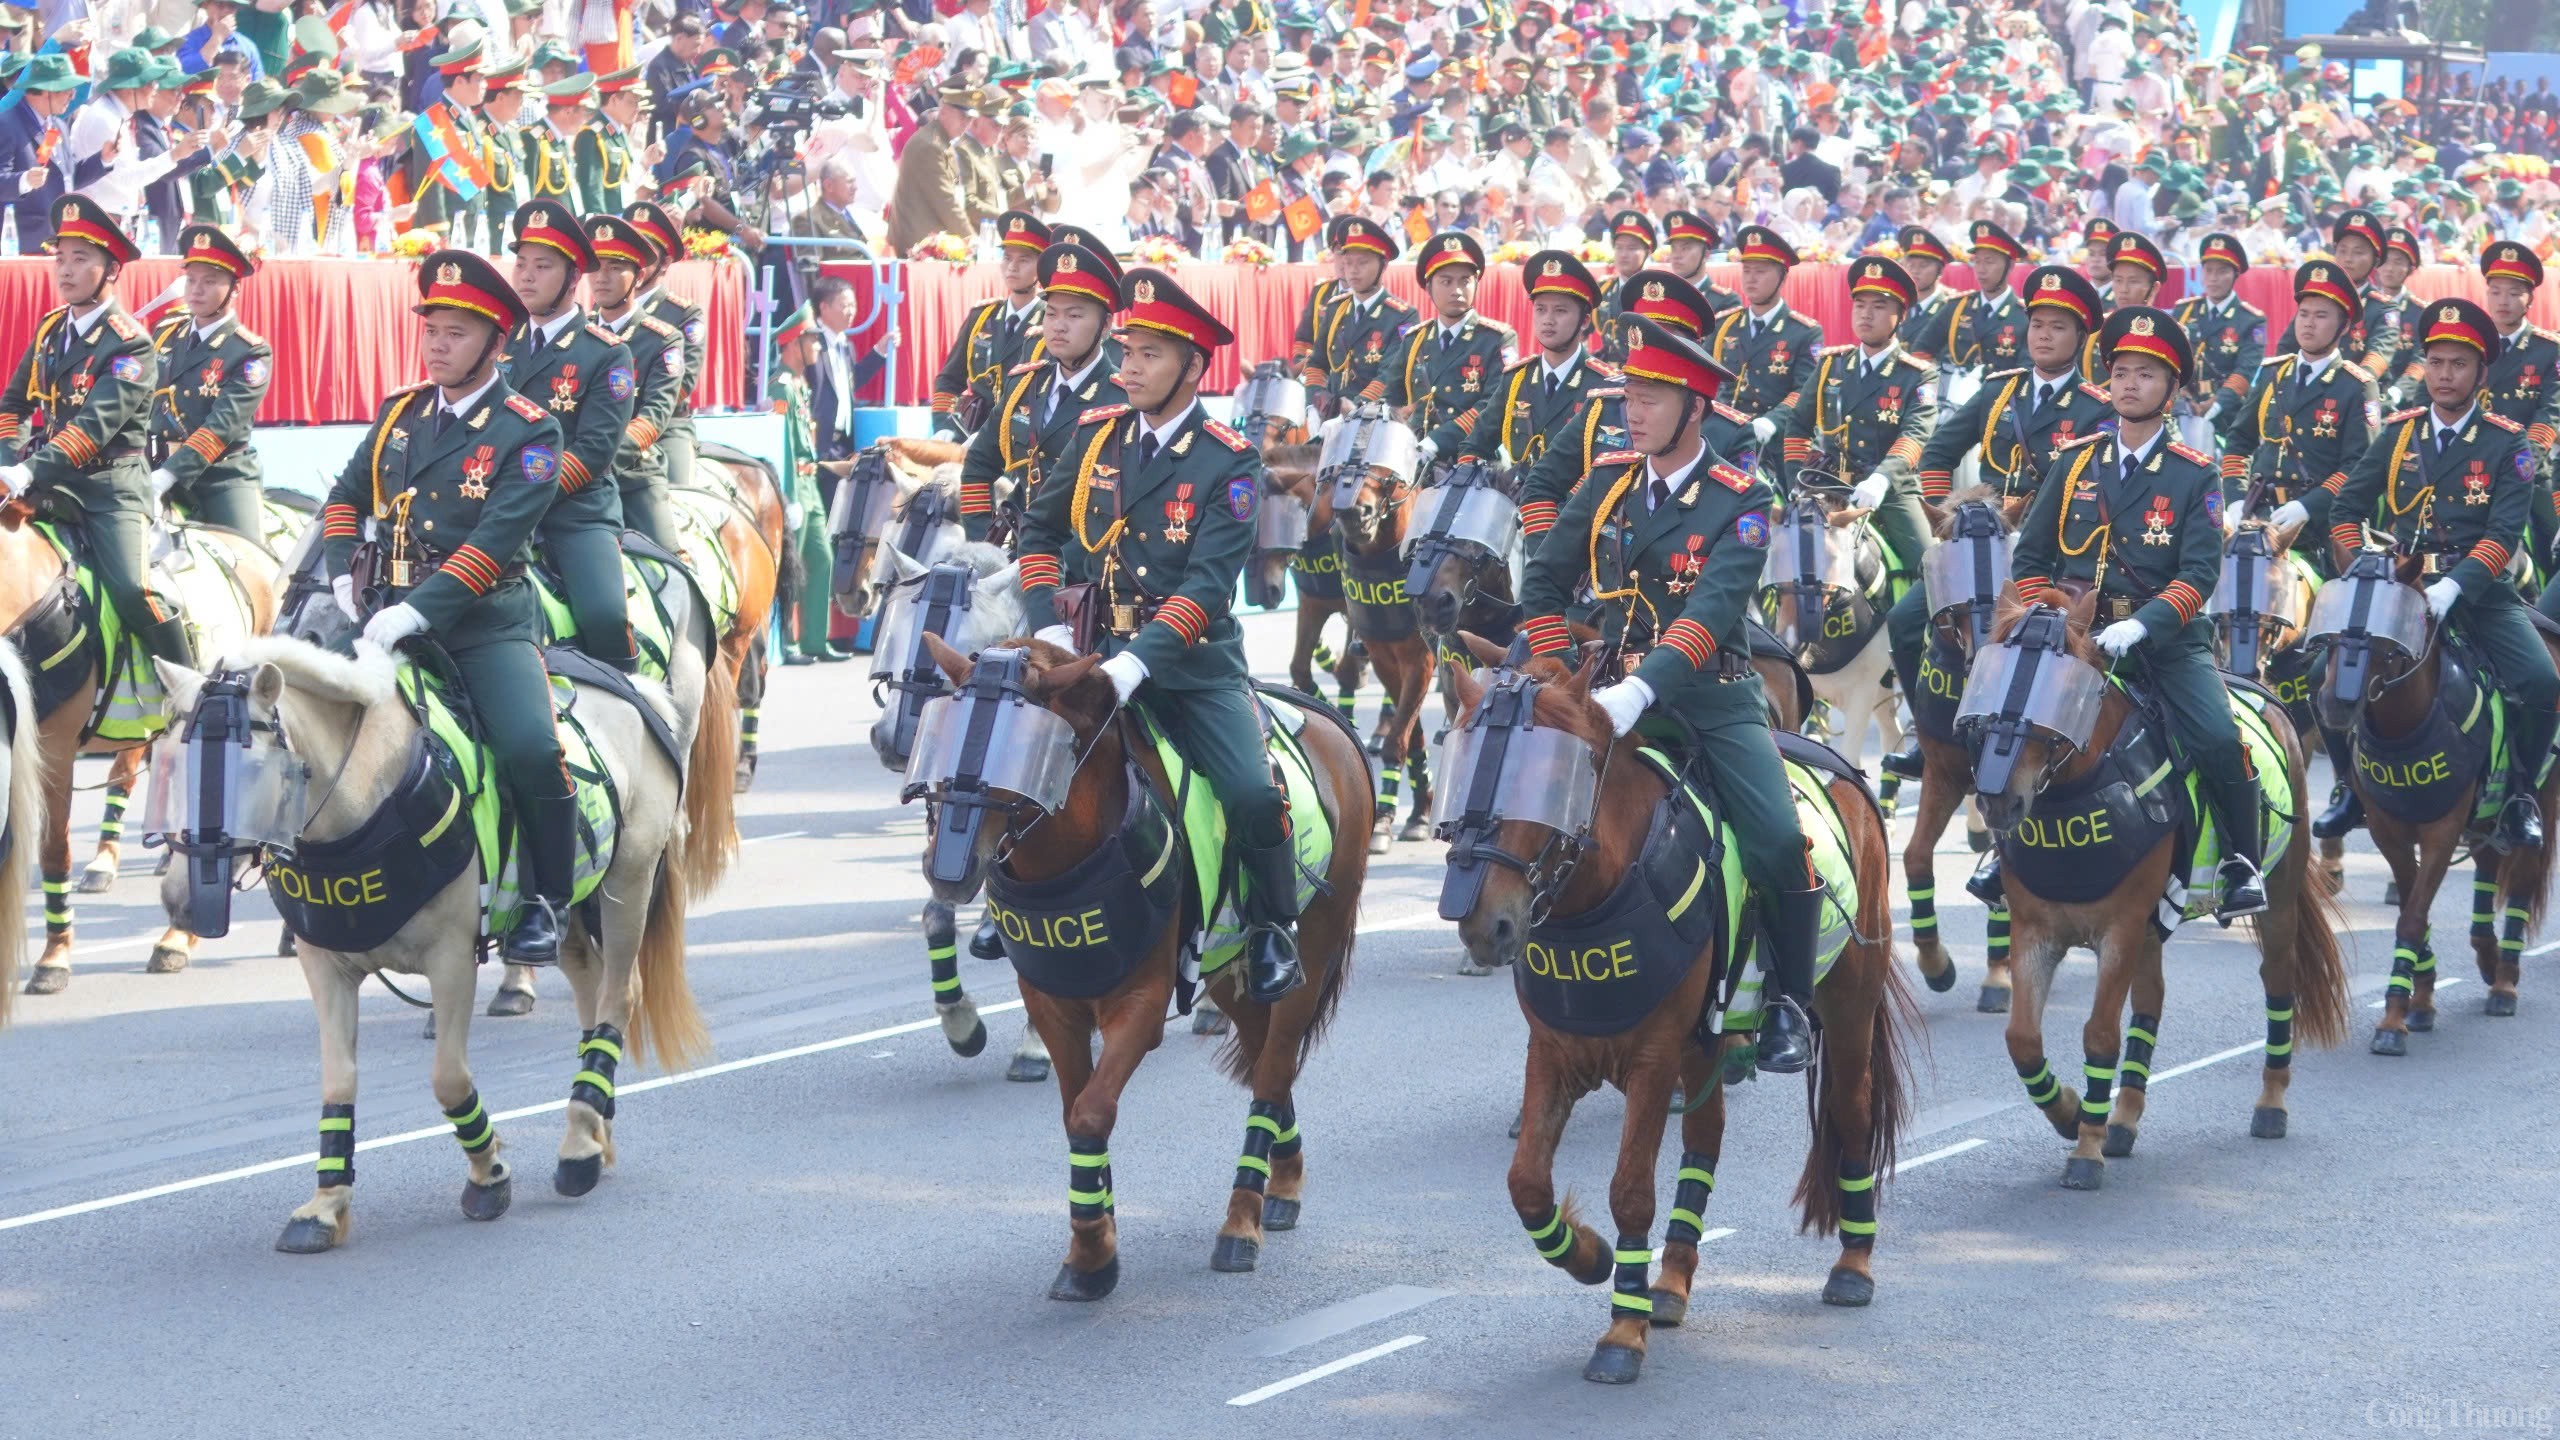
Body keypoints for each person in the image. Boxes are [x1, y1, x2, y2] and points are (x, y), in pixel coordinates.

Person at [1515, 314, 1823, 1073]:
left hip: (1707, 700)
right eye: (1629, 397)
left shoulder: (1741, 499)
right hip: (1603, 692)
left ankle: (1788, 1001)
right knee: (1523, 812)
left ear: (1695, 409)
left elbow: (1710, 614)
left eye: (1651, 399)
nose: (1633, 411)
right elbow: (1544, 581)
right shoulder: (1608, 480)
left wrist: (1639, 692)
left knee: (1778, 839)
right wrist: (1560, 671)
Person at [1016, 267, 1307, 1003]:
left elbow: (1207, 587)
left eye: (1151, 355)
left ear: (1193, 367)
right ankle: (1007, 902)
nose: (1132, 368)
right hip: (1089, 654)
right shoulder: (1097, 437)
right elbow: (1038, 533)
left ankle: (1272, 927)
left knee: (1250, 793)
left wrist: (1133, 667)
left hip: (1189, 669)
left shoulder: (1227, 458)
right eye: (1128, 352)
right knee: (1006, 762)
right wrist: (1047, 624)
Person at [318, 249, 573, 962]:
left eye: (456, 333)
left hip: (481, 626)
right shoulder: (400, 413)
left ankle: (546, 900)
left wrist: (414, 612)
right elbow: (343, 499)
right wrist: (342, 578)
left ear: (496, 343)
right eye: (431, 329)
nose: (437, 345)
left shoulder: (528, 429)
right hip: (381, 616)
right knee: (297, 717)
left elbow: (494, 545)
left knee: (531, 748)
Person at [2002, 306, 2268, 922]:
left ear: (2171, 389)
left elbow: (2199, 576)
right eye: (2120, 372)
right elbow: (2032, 558)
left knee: (2219, 738)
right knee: (2005, 720)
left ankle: (2239, 861)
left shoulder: (2194, 474)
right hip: (2077, 637)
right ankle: (2004, 845)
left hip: (2164, 642)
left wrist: (2143, 623)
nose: (2129, 384)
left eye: (2146, 374)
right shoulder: (2075, 462)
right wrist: (2052, 615)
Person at [2327, 297, 2554, 853]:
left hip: (2479, 593)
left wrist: (2456, 583)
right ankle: (2349, 787)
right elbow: (2345, 511)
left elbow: (2503, 533)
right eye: (2436, 362)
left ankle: (2520, 794)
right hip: (2400, 589)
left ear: (2481, 374)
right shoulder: (2398, 434)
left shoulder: (2507, 441)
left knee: (2541, 683)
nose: (2445, 374)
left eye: (2458, 364)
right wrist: (2364, 564)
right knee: (2322, 675)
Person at [1881, 265, 2113, 781]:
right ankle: (1927, 736)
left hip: (2046, 553)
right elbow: (1937, 453)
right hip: (1980, 544)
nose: (2044, 335)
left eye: (2058, 327)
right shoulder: (1999, 392)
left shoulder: (2096, 408)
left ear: (2081, 338)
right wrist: (1951, 520)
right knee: (1904, 620)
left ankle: (2048, 748)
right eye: (2037, 325)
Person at [0, 196, 191, 671]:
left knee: (131, 589)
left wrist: (23, 472)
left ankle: (192, 686)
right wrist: (7, 461)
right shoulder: (50, 330)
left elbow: (92, 430)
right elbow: (14, 405)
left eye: (80, 258)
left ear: (112, 270)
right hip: (48, 480)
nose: (65, 270)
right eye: (60, 258)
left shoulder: (131, 343)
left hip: (109, 490)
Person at [503, 200, 637, 671]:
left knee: (604, 614)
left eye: (542, 266)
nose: (526, 276)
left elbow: (596, 450)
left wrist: (524, 494)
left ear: (573, 276)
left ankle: (629, 697)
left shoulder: (606, 353)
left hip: (574, 511)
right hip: (490, 505)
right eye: (521, 263)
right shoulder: (499, 340)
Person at [1768, 255, 1939, 599]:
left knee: (1932, 570)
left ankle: (1927, 635)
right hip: (1828, 485)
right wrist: (1795, 481)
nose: (1865, 314)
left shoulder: (1917, 375)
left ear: (1901, 315)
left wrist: (1881, 479)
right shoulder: (1832, 365)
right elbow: (1798, 424)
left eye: (1879, 306)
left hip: (1889, 493)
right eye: (1860, 305)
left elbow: (1915, 434)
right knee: (1773, 559)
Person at [956, 235, 1124, 544]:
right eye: (1051, 313)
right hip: (1017, 545)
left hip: (1081, 563)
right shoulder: (1024, 384)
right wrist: (981, 541)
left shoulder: (1123, 400)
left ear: (1105, 325)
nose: (1059, 325)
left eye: (1074, 315)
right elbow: (979, 463)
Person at [147, 224, 272, 537]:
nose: (196, 290)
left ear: (234, 288)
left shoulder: (249, 352)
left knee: (249, 556)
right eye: (191, 280)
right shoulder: (166, 333)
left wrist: (168, 476)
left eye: (210, 281)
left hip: (220, 477)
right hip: (154, 465)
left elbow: (220, 428)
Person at [1454, 247, 1611, 493]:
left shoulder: (1605, 386)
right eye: (1540, 309)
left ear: (1584, 321)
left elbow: (1607, 470)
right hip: (1511, 502)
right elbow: (1476, 444)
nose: (1548, 319)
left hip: (1570, 509)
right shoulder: (1518, 378)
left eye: (1560, 310)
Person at [586, 212, 689, 550]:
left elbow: (654, 415)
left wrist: (598, 461)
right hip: (573, 474)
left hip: (631, 472)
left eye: (615, 268)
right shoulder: (578, 334)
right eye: (596, 267)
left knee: (670, 564)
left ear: (639, 275)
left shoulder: (663, 338)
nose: (602, 277)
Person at [1387, 231, 1517, 467]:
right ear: (1429, 287)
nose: (1456, 290)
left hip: (1472, 459)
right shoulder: (1415, 339)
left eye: (1465, 281)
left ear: (1476, 284)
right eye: (1446, 282)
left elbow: (1495, 405)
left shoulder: (1496, 338)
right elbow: (1391, 397)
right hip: (1416, 455)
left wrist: (1436, 442)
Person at [927, 208, 1048, 442]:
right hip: (971, 431)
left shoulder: (1049, 321)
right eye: (1007, 258)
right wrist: (944, 425)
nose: (1012, 267)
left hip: (1021, 440)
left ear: (1041, 267)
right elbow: (949, 379)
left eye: (1023, 260)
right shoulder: (982, 317)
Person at [766, 302, 836, 667]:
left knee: (821, 559)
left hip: (811, 483)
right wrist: (788, 495)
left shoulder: (798, 384)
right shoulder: (781, 387)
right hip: (795, 485)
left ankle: (815, 640)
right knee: (791, 566)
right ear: (795, 342)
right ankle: (788, 642)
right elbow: (784, 444)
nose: (818, 347)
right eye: (813, 340)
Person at [622, 200, 706, 499]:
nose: (637, 258)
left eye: (646, 251)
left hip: (666, 427)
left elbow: (683, 384)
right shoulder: (601, 312)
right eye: (630, 248)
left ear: (666, 261)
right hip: (609, 426)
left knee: (678, 500)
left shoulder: (684, 314)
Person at [1711, 225, 1824, 426]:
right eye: (1746, 270)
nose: (1751, 278)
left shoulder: (1804, 332)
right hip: (1725, 427)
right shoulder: (1725, 324)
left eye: (1760, 271)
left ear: (1783, 277)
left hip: (1774, 433)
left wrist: (1771, 423)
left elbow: (1805, 390)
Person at [1315, 215, 1419, 412]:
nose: (1353, 271)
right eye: (1348, 262)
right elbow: (1316, 364)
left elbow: (1389, 374)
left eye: (1362, 263)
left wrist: (1354, 408)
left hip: (1373, 415)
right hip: (1330, 412)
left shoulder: (1403, 316)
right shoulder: (1336, 308)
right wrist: (1315, 402)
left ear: (1383, 265)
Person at [2169, 231, 2267, 437]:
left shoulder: (2251, 320)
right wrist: (2182, 394)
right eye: (2208, 270)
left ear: (2235, 275)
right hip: (2185, 405)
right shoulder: (2185, 311)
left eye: (2222, 271)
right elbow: (2172, 359)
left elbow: (2246, 370)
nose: (2213, 278)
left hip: (2228, 410)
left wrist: (2216, 404)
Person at [887, 81, 973, 255]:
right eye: (963, 116)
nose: (967, 123)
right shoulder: (931, 145)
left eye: (970, 119)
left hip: (930, 243)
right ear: (945, 111)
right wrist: (972, 239)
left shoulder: (941, 141)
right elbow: (945, 200)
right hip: (919, 247)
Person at [574, 67, 648, 216]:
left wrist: (646, 162)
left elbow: (625, 178)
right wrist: (600, 222)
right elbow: (592, 189)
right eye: (632, 102)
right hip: (607, 219)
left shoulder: (618, 131)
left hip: (622, 212)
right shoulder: (592, 134)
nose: (637, 108)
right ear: (614, 100)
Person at [1895, 224, 1972, 365]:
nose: (1915, 271)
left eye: (1923, 265)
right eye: (1910, 264)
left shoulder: (1952, 307)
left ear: (1940, 270)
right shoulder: (1897, 303)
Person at [1960, 218, 2030, 373]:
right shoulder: (1958, 306)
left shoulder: (2025, 316)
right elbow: (1922, 350)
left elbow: (2027, 370)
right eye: (1977, 261)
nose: (1981, 269)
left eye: (1989, 262)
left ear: (2010, 266)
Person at [1658, 208, 1741, 315]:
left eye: (1685, 248)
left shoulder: (1725, 301)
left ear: (1706, 255)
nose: (1676, 256)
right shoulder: (1662, 297)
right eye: (1673, 248)